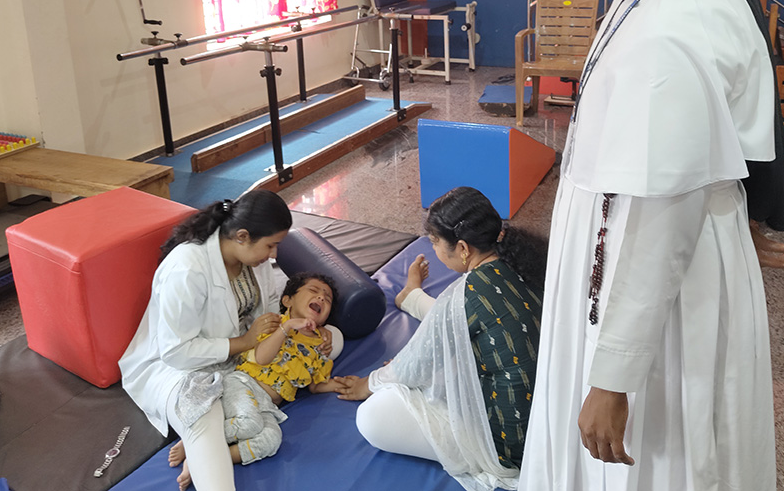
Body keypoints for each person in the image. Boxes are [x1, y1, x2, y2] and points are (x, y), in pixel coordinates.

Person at [518, 0, 784, 490]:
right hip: (650, 252)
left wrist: (614, 376)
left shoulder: (674, 28)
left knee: (660, 455)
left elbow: (663, 211)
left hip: (661, 279)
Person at [119, 190, 342, 491]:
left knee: (334, 337)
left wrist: (311, 331)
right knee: (203, 412)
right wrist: (245, 341)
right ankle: (201, 453)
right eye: (271, 245)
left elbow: (268, 313)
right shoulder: (187, 269)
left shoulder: (254, 260)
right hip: (180, 368)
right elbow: (175, 351)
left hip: (243, 360)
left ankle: (206, 446)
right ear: (242, 236)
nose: (275, 255)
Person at [336, 187, 546, 491]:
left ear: (462, 248)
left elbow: (410, 367)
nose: (433, 249)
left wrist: (367, 384)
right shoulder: (523, 262)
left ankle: (411, 297)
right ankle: (411, 297)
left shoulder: (463, 296)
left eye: (434, 242)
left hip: (509, 447)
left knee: (371, 415)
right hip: (546, 418)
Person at [168, 272, 347, 490]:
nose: (321, 298)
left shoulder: (319, 349)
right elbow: (262, 358)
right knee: (250, 424)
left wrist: (337, 385)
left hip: (268, 406)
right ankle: (196, 441)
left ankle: (202, 457)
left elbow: (314, 384)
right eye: (314, 291)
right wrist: (288, 326)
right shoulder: (273, 324)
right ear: (287, 300)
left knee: (272, 440)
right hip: (242, 384)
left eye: (327, 299)